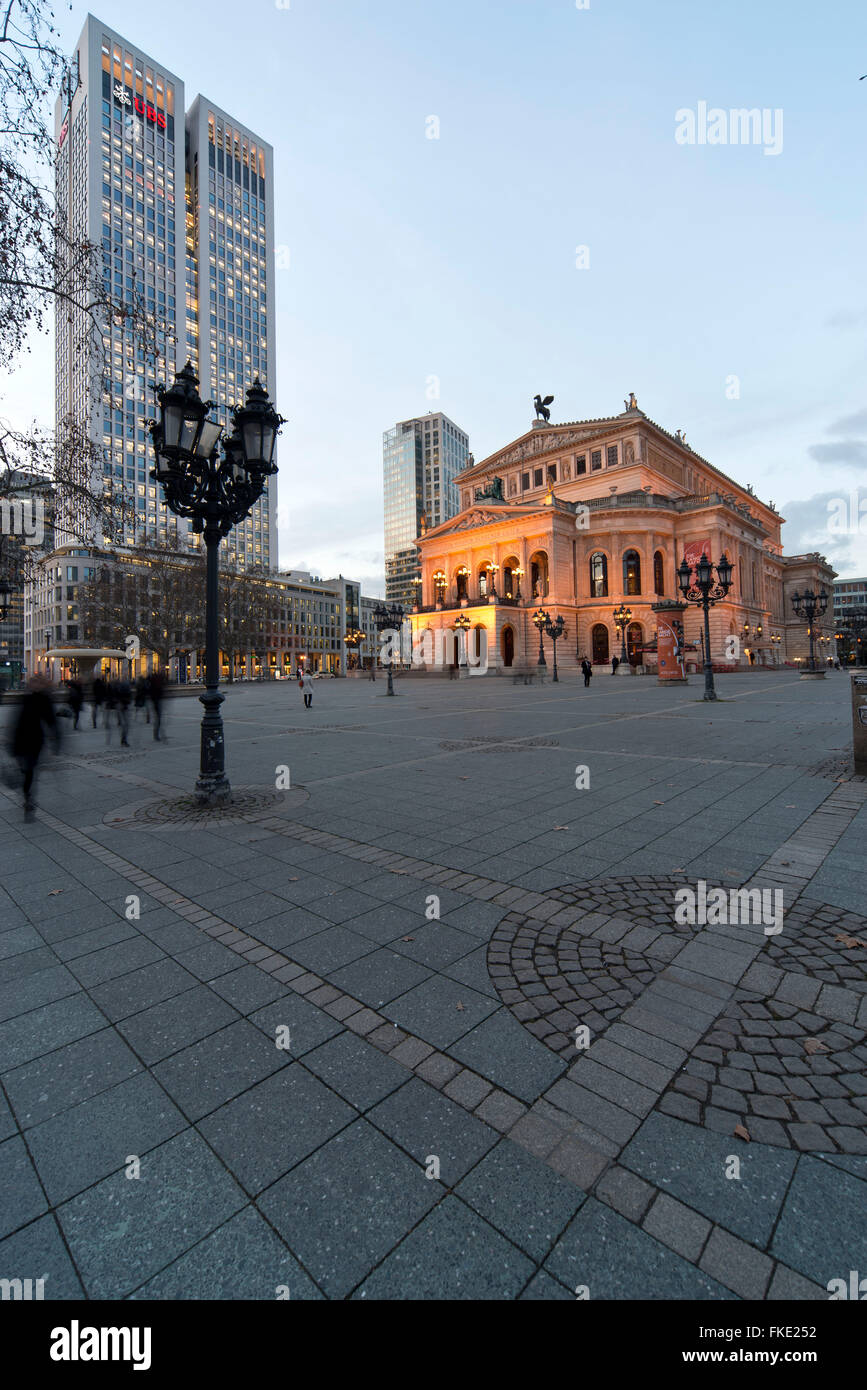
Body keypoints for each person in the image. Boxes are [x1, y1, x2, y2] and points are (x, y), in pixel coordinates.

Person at [8, 673, 60, 820]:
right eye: (33, 683)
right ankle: (27, 795)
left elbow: (51, 721)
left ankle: (28, 798)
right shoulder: (25, 698)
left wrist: (56, 740)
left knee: (30, 770)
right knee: (25, 771)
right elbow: (16, 720)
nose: (35, 685)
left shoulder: (44, 700)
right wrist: (11, 743)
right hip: (20, 740)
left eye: (38, 683)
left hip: (35, 741)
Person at [148, 671, 166, 740]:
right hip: (157, 701)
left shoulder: (153, 685)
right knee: (158, 718)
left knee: (158, 718)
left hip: (156, 700)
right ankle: (156, 734)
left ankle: (156, 733)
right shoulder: (156, 685)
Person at [114, 677, 132, 746]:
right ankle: (124, 739)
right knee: (126, 724)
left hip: (121, 706)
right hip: (123, 706)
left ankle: (123, 739)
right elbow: (128, 697)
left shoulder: (119, 688)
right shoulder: (124, 689)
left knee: (125, 724)